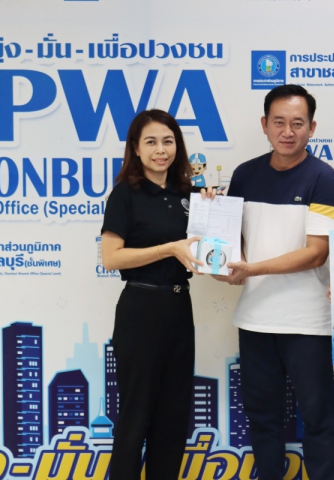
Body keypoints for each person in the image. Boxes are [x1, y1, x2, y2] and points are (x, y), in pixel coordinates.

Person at [215, 84, 334, 479]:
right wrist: (210, 219)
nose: (288, 131)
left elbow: (316, 253)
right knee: (262, 418)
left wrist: (252, 269)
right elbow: (234, 242)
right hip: (255, 319)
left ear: (312, 128)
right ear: (265, 124)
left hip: (307, 322)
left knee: (317, 418)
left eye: (297, 123)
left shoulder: (324, 179)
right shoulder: (244, 175)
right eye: (279, 122)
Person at [100, 109, 214, 480]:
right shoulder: (126, 194)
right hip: (141, 309)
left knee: (173, 417)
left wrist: (214, 209)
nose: (160, 150)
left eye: (168, 141)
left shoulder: (189, 194)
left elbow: (209, 250)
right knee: (136, 416)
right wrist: (168, 249)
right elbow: (111, 258)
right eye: (150, 142)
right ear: (135, 148)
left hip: (179, 306)